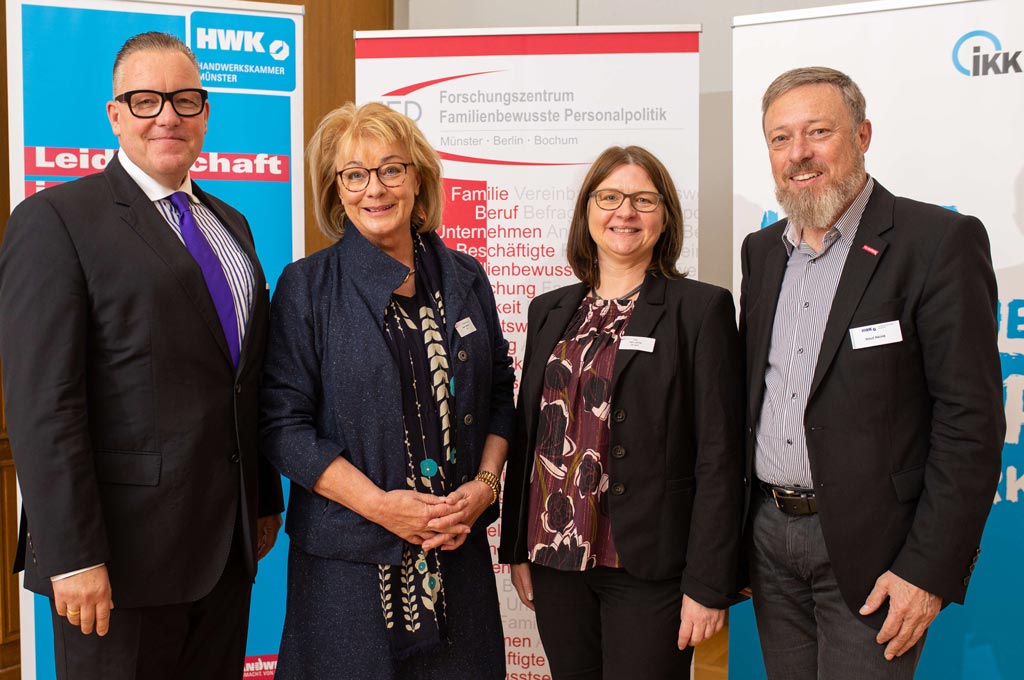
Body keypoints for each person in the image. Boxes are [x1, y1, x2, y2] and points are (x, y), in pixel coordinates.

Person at [0, 31, 283, 680]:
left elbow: (244, 378)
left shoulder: (231, 225)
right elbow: (45, 405)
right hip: (116, 564)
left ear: (205, 112)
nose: (168, 116)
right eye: (146, 99)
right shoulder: (56, 221)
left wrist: (263, 499)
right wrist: (72, 556)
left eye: (185, 100)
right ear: (115, 115)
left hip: (225, 550)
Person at [739, 66, 1005, 679]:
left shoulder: (937, 241)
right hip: (771, 542)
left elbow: (971, 423)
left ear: (862, 134)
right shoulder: (762, 253)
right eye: (780, 139)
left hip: (876, 553)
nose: (798, 154)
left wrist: (927, 571)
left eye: (818, 131)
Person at [260, 101, 514, 680]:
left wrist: (484, 484)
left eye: (390, 169)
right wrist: (382, 508)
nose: (374, 189)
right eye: (354, 174)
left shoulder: (466, 277)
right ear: (337, 189)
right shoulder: (308, 287)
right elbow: (282, 427)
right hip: (348, 571)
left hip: (457, 554)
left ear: (417, 178)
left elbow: (501, 390)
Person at [499, 145, 745, 680]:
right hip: (556, 557)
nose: (624, 212)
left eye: (643, 200)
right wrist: (516, 546)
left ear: (666, 217)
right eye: (609, 197)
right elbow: (528, 432)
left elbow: (720, 455)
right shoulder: (549, 310)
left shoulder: (699, 309)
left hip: (650, 566)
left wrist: (708, 583)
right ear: (588, 212)